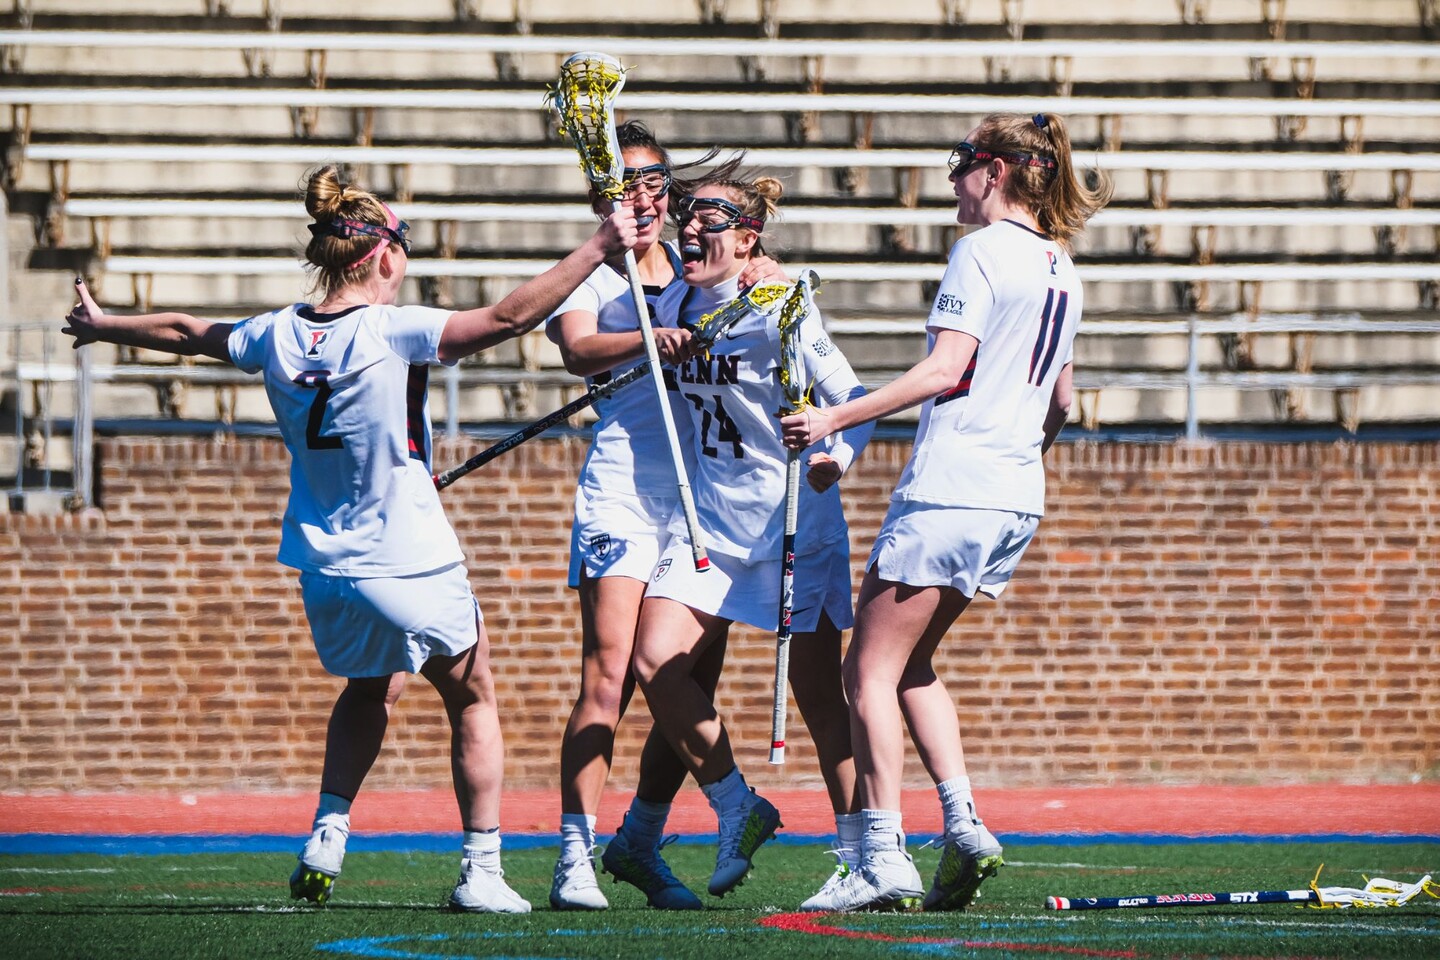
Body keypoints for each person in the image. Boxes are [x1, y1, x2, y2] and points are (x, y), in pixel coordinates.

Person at [61, 165, 638, 914]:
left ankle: (328, 832)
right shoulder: (391, 327)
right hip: (406, 553)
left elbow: (184, 332)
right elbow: (504, 321)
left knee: (374, 686)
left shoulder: (273, 333)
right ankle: (482, 870)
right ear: (384, 257)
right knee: (473, 695)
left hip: (323, 565)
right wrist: (598, 245)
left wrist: (105, 326)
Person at [779, 112, 1111, 912]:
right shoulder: (1061, 265)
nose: (953, 177)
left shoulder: (981, 250)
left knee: (868, 671)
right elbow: (1062, 400)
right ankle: (963, 825)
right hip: (1011, 495)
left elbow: (942, 369)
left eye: (960, 161)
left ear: (994, 170)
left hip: (953, 485)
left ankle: (883, 855)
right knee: (911, 662)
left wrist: (833, 419)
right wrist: (1014, 464)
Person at [545, 122, 784, 911]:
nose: (641, 193)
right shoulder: (591, 274)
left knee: (683, 677)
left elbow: (751, 280)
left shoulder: (691, 256)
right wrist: (650, 340)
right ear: (599, 193)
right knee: (611, 672)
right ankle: (574, 857)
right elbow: (578, 349)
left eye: (652, 178)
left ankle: (640, 838)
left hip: (702, 496)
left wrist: (762, 274)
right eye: (622, 181)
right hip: (624, 486)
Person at [631, 174, 874, 904]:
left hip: (792, 523)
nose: (691, 230)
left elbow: (854, 401)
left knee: (819, 698)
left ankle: (865, 857)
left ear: (748, 237)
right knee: (655, 661)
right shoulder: (672, 301)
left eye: (712, 219)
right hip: (709, 523)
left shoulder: (781, 306)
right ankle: (738, 805)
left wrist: (836, 453)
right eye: (687, 217)